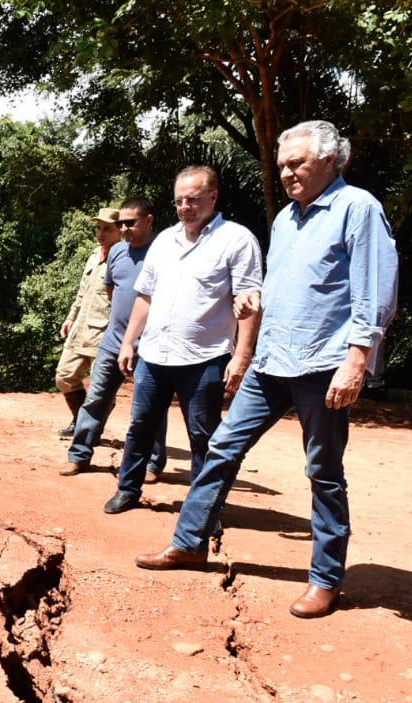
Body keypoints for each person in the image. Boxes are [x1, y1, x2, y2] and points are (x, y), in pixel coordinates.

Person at [135, 121, 398, 619]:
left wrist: (357, 361)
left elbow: (375, 292)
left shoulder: (358, 208)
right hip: (272, 360)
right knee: (221, 447)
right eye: (282, 166)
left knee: (323, 471)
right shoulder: (285, 220)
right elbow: (287, 284)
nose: (287, 173)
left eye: (297, 163)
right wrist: (256, 300)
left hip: (324, 364)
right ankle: (189, 543)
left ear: (329, 160)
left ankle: (325, 580)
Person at [103, 165, 263, 514]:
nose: (185, 207)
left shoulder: (236, 240)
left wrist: (242, 356)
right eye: (179, 201)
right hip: (154, 356)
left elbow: (250, 300)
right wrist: (129, 342)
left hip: (204, 359)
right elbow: (145, 296)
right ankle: (128, 490)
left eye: (192, 199)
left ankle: (203, 510)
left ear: (213, 197)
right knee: (140, 428)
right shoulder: (164, 241)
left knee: (203, 436)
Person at [59, 198, 168, 478]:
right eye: (121, 224)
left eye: (130, 223)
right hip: (113, 342)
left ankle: (153, 463)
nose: (125, 229)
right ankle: (79, 455)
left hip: (150, 345)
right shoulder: (117, 251)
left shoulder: (165, 251)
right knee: (96, 399)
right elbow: (112, 292)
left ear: (149, 221)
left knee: (150, 406)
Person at [54, 207, 122, 437]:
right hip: (81, 327)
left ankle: (87, 429)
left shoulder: (124, 259)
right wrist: (70, 317)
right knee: (64, 376)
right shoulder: (94, 255)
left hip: (104, 331)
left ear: (120, 230)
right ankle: (81, 420)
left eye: (107, 229)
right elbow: (83, 292)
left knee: (100, 388)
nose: (101, 234)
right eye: (98, 228)